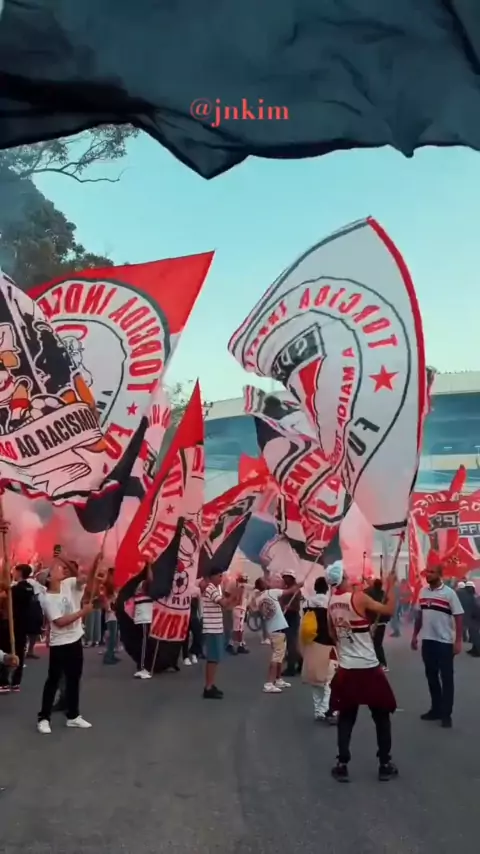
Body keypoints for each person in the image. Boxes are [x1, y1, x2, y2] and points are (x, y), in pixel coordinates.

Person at [327, 561, 398, 783]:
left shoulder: (331, 602)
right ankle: (384, 764)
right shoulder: (358, 598)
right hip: (368, 667)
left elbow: (333, 634)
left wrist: (359, 634)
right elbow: (388, 610)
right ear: (343, 579)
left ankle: (342, 764)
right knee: (382, 716)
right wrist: (392, 587)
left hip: (347, 668)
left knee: (346, 718)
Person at [37, 560, 93, 733]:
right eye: (56, 569)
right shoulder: (47, 598)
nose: (61, 569)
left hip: (75, 639)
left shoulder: (67, 584)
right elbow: (60, 622)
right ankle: (43, 718)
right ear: (48, 578)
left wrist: (65, 558)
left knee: (74, 679)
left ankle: (73, 716)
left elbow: (81, 578)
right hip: (60, 643)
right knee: (53, 680)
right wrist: (82, 612)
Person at [411, 558, 464, 727]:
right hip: (428, 641)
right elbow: (419, 616)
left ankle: (446, 715)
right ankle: (436, 709)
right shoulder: (423, 592)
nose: (428, 574)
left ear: (440, 575)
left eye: (431, 572)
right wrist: (415, 635)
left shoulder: (449, 594)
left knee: (446, 678)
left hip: (444, 642)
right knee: (431, 676)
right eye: (427, 572)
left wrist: (458, 641)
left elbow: (459, 616)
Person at [254, 574, 302, 694]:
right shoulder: (272, 593)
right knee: (276, 656)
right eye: (268, 580)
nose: (274, 582)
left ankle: (278, 679)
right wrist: (299, 585)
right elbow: (290, 591)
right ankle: (269, 683)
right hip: (278, 629)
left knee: (279, 655)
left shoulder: (259, 599)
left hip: (272, 629)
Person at [301, 576, 337, 722]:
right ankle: (324, 709)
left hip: (311, 642)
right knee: (329, 680)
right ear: (326, 589)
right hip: (327, 644)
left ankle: (318, 710)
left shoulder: (307, 603)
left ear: (315, 588)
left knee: (314, 680)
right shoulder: (329, 603)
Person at [200, 568, 239, 699]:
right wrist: (234, 593)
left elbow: (227, 606)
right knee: (212, 659)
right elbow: (223, 603)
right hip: (211, 628)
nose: (221, 578)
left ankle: (211, 684)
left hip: (216, 627)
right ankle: (208, 687)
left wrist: (236, 597)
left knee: (215, 659)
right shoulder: (211, 588)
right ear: (212, 577)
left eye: (221, 576)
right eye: (218, 576)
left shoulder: (216, 589)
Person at [0, 564, 36, 693]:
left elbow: (4, 596)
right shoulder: (30, 588)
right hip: (23, 625)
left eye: (15, 571)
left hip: (11, 624)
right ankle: (16, 682)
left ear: (19, 572)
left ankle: (3, 681)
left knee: (5, 652)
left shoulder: (15, 589)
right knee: (19, 652)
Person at [280, 571, 302, 676]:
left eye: (286, 577)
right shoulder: (286, 589)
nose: (284, 579)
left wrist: (289, 607)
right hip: (285, 617)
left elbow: (297, 607)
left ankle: (291, 667)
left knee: (291, 643)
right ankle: (301, 662)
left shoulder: (296, 591)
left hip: (292, 617)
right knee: (289, 643)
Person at [133, 568, 154, 679]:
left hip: (143, 617)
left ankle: (142, 666)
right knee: (145, 644)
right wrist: (149, 565)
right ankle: (143, 668)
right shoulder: (143, 583)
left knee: (143, 644)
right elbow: (150, 581)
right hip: (144, 617)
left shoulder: (138, 583)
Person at [365, 577, 390, 670]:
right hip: (382, 623)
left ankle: (381, 663)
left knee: (375, 644)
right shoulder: (384, 595)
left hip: (373, 623)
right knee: (377, 644)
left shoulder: (370, 594)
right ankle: (379, 663)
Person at [102, 568, 120, 666]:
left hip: (114, 614)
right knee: (112, 637)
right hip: (111, 614)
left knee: (114, 636)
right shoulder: (108, 587)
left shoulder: (112, 587)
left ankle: (111, 655)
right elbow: (104, 599)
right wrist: (108, 608)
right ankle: (108, 656)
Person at [182, 585, 203, 666]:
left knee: (198, 634)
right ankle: (185, 656)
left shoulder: (196, 589)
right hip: (184, 615)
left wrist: (201, 615)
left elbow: (200, 603)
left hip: (193, 615)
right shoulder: (182, 588)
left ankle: (194, 652)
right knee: (185, 637)